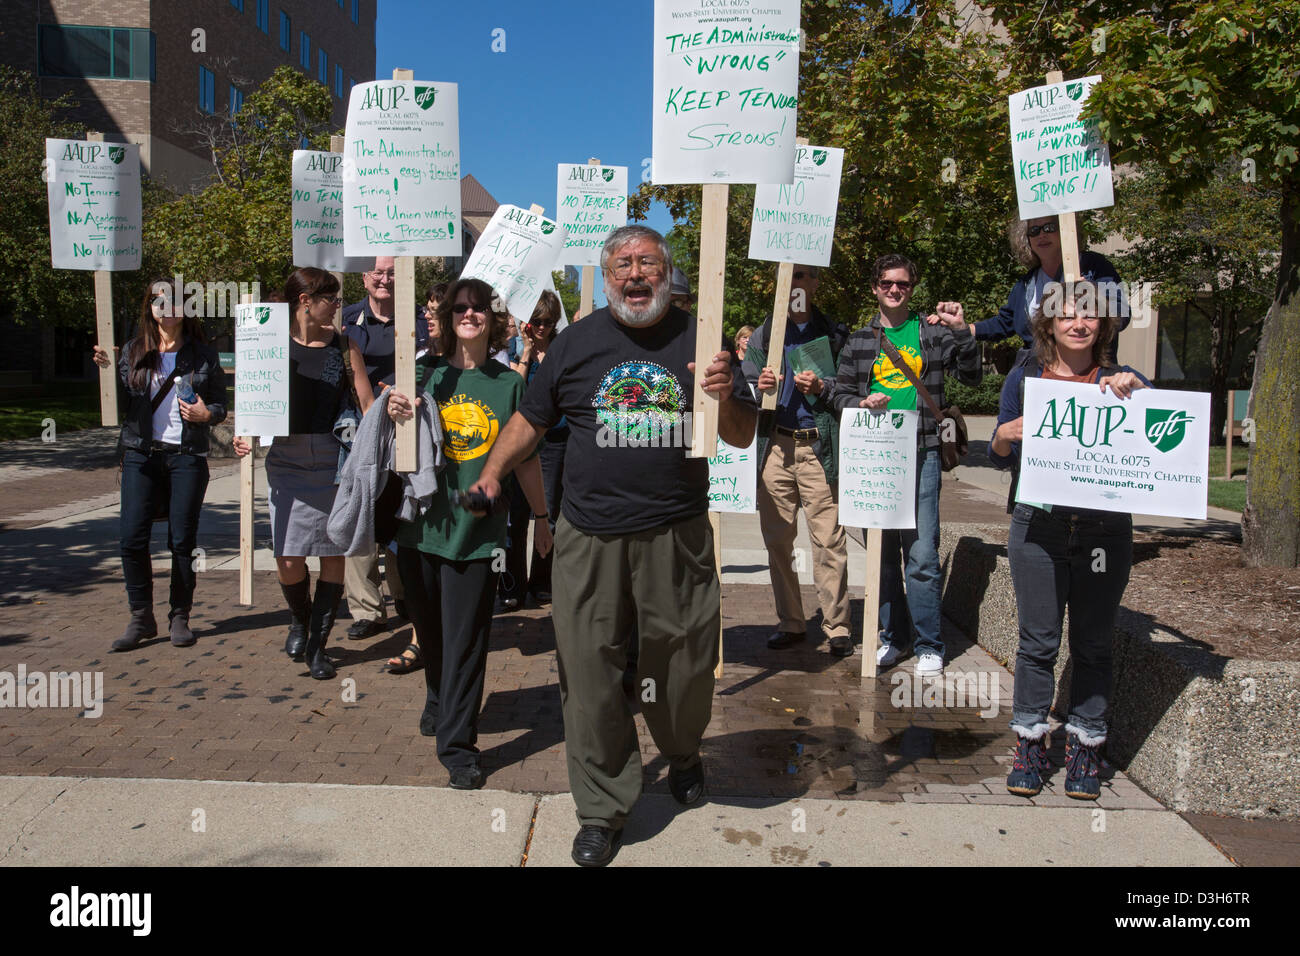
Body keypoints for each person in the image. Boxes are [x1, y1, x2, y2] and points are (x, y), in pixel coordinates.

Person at [467, 225, 758, 866]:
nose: (634, 274)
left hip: (675, 535)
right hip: (589, 538)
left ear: (667, 273)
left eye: (647, 263)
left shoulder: (701, 340)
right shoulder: (574, 343)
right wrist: (491, 472)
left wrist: (724, 392)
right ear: (605, 276)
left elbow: (738, 436)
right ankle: (602, 805)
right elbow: (529, 421)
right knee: (590, 673)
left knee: (680, 666)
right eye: (622, 264)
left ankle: (682, 751)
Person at [385, 277, 551, 790]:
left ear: (493, 318)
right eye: (460, 307)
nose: (470, 315)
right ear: (448, 316)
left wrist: (543, 521)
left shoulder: (509, 385)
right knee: (431, 636)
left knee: (466, 642)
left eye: (479, 308)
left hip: (477, 536)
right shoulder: (421, 375)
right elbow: (393, 451)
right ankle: (438, 696)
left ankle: (459, 746)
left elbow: (525, 461)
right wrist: (394, 414)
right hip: (418, 531)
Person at [988, 281, 1148, 799]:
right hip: (1039, 527)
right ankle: (1030, 744)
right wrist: (1004, 435)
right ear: (1048, 323)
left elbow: (1156, 438)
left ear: (1103, 326)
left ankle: (1085, 745)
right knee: (1038, 643)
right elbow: (997, 454)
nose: (1078, 323)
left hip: (1103, 531)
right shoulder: (1025, 377)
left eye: (1089, 316)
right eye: (1066, 315)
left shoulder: (1123, 380)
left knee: (1094, 644)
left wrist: (1137, 392)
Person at [831, 254, 981, 676]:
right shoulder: (860, 340)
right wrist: (860, 402)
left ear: (912, 288)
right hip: (873, 457)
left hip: (922, 452)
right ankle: (892, 638)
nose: (894, 290)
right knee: (882, 555)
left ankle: (930, 643)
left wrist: (961, 332)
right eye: (886, 283)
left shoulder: (931, 334)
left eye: (903, 284)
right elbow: (838, 394)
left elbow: (971, 376)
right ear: (875, 288)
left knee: (920, 554)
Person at [92, 279, 227, 651]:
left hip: (186, 456)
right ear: (148, 306)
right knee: (131, 538)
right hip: (141, 454)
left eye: (175, 300)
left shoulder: (203, 354)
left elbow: (220, 405)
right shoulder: (133, 351)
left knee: (182, 541)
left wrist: (206, 413)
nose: (166, 306)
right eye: (158, 299)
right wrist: (106, 367)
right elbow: (118, 398)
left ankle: (179, 616)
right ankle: (141, 617)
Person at [233, 268, 354, 680]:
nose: (337, 306)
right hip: (285, 459)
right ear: (305, 301)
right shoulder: (269, 343)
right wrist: (243, 433)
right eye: (331, 299)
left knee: (332, 552)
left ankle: (319, 647)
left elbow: (367, 404)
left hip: (333, 460)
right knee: (287, 556)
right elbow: (251, 396)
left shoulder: (344, 345)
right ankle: (299, 619)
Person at [741, 266, 853, 657]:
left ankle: (837, 625)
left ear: (817, 283)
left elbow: (851, 388)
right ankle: (791, 621)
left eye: (804, 276)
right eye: (790, 276)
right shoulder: (765, 333)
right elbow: (746, 387)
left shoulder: (835, 333)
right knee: (777, 541)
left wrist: (824, 387)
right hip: (775, 446)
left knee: (828, 540)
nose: (797, 284)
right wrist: (760, 389)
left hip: (819, 448)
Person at [340, 257, 422, 640]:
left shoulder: (422, 320)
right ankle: (367, 610)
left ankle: (405, 594)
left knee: (404, 513)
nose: (384, 279)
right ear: (364, 277)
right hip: (360, 432)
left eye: (392, 272)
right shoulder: (346, 321)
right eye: (378, 272)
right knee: (362, 515)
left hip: (410, 429)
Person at [960, 216, 1129, 343]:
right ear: (1026, 239)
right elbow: (1004, 323)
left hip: (1088, 380)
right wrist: (961, 328)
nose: (1041, 235)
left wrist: (1092, 298)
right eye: (1034, 231)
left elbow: (1122, 316)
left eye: (1049, 227)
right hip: (1038, 380)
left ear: (1065, 229)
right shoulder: (1026, 284)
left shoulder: (1095, 266)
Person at [507, 290, 566, 603]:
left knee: (550, 512)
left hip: (555, 440)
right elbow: (514, 388)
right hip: (522, 441)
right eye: (536, 321)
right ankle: (513, 585)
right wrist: (526, 353)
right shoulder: (515, 349)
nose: (542, 327)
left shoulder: (561, 350)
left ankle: (541, 581)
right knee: (517, 514)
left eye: (548, 321)